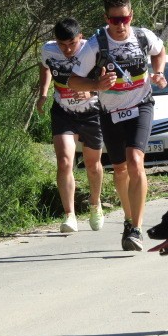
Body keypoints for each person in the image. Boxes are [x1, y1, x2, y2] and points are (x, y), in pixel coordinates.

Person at [68, 0, 166, 251]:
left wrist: (159, 72)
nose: (120, 26)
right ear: (106, 18)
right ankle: (128, 218)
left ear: (131, 16)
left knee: (136, 161)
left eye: (124, 19)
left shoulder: (143, 36)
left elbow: (159, 50)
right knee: (120, 169)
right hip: (110, 112)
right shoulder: (96, 44)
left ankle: (136, 228)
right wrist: (96, 83)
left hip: (141, 105)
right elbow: (72, 80)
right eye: (114, 21)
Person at [37, 18, 104, 233]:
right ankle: (70, 215)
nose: (66, 49)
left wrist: (92, 90)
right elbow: (44, 66)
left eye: (71, 44)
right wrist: (43, 93)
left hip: (92, 111)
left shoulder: (92, 49)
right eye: (61, 44)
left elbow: (106, 79)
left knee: (92, 165)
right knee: (65, 161)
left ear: (80, 37)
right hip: (63, 111)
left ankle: (95, 204)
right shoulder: (48, 49)